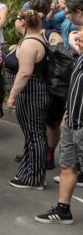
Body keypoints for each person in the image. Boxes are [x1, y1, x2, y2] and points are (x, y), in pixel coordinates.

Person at [36, 28, 83, 224]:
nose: (78, 37)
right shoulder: (80, 58)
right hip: (72, 122)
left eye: (82, 34)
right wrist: (67, 112)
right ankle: (63, 210)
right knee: (66, 165)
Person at [7, 9, 49, 189]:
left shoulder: (30, 43)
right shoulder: (36, 39)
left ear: (23, 22)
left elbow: (25, 72)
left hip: (32, 93)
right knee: (33, 135)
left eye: (17, 19)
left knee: (35, 135)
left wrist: (12, 94)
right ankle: (28, 172)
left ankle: (34, 178)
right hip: (34, 92)